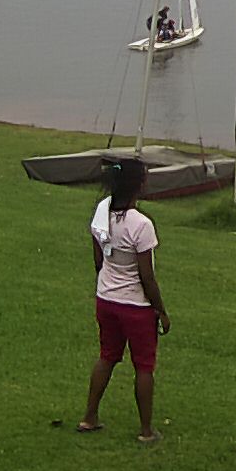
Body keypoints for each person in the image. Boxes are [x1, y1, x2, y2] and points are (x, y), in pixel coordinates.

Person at [78, 158, 169, 443]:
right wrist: (160, 310)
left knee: (107, 356)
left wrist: (107, 282)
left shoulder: (100, 214)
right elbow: (147, 276)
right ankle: (146, 430)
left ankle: (89, 417)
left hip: (106, 299)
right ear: (138, 185)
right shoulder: (141, 225)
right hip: (136, 306)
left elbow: (98, 259)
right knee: (144, 366)